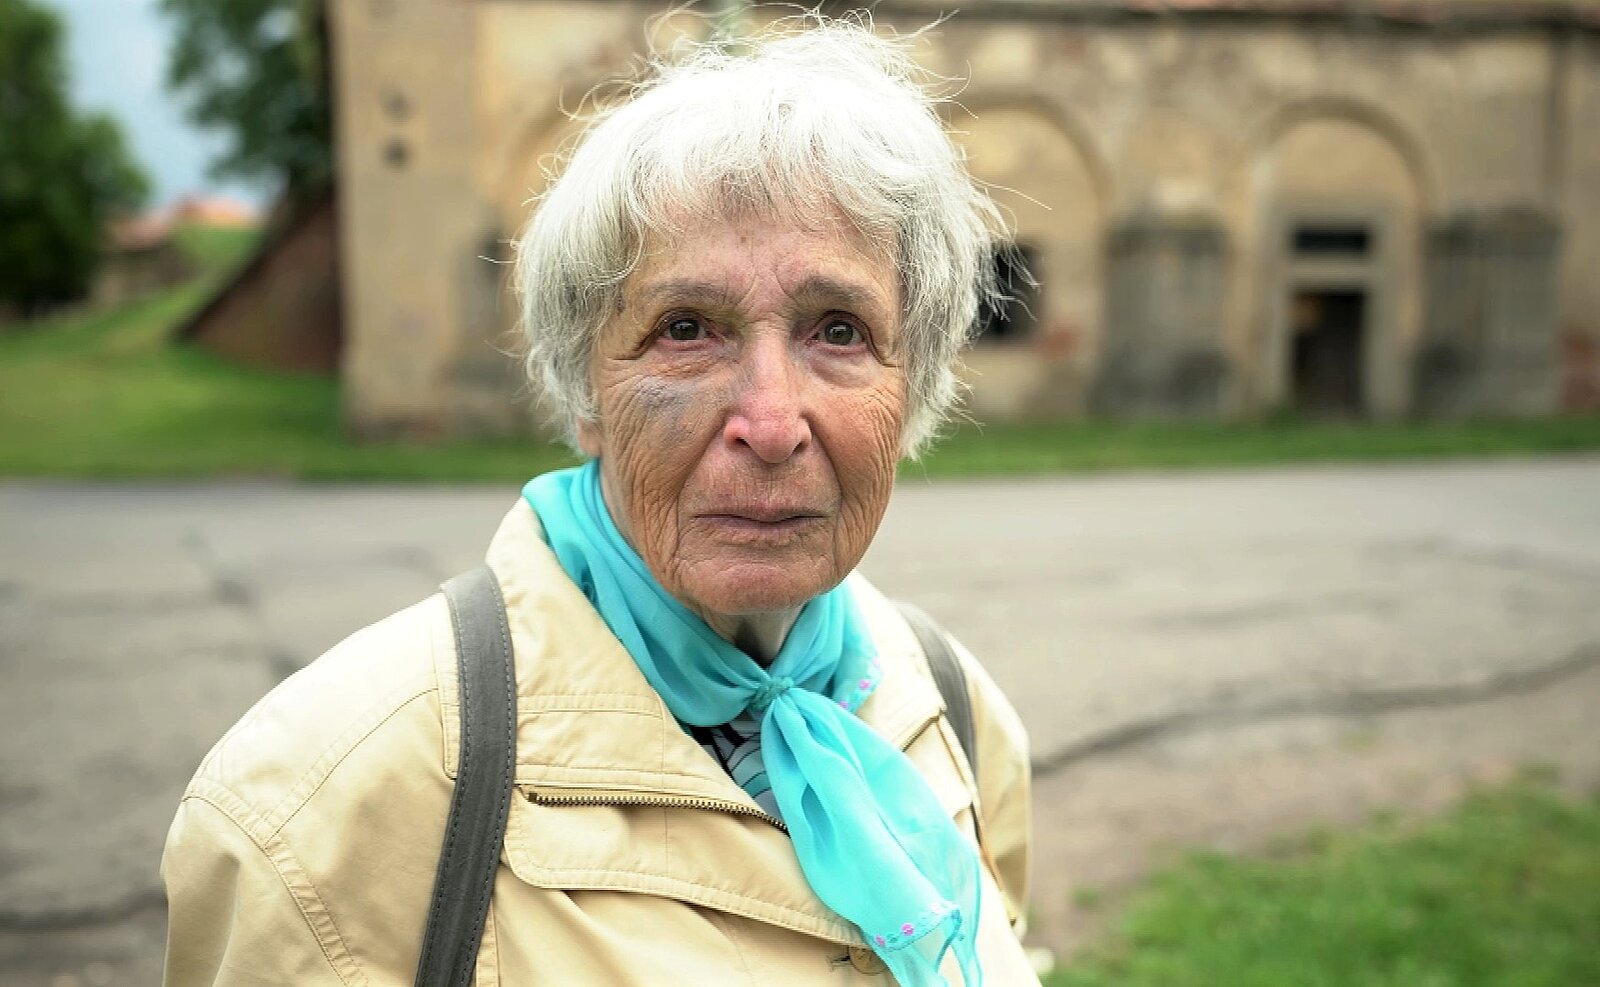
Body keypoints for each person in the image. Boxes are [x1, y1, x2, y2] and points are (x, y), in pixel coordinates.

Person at [162, 16, 1038, 986]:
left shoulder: (954, 713)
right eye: (686, 329)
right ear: (585, 393)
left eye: (838, 328)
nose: (771, 420)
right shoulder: (320, 808)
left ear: (910, 386)